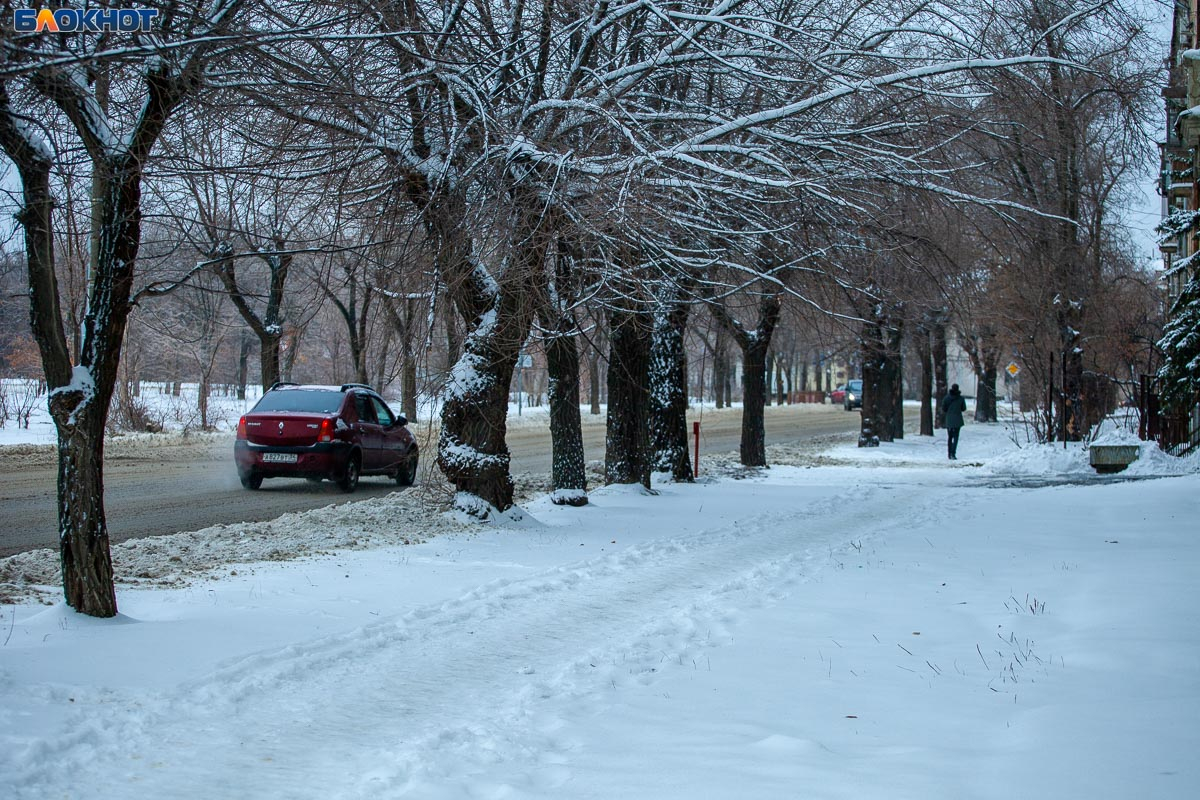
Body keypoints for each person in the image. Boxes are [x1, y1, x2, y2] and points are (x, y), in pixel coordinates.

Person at [942, 384, 967, 460]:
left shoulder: (946, 398)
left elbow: (944, 408)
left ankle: (949, 453)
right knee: (956, 437)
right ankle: (953, 453)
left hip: (949, 420)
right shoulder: (961, 398)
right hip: (957, 420)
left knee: (950, 437)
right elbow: (963, 408)